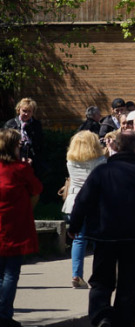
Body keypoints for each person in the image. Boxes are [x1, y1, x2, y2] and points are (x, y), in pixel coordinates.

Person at [68, 132, 135, 327]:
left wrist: (75, 225)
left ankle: (102, 315)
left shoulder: (102, 171)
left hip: (105, 234)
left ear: (116, 147)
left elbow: (83, 200)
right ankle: (124, 321)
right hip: (134, 235)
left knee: (101, 280)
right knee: (129, 282)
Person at [0, 129, 42, 327]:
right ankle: (4, 314)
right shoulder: (19, 169)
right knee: (10, 272)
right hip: (15, 225)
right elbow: (36, 189)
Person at [62, 131, 106, 289]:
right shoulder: (100, 160)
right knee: (98, 241)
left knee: (78, 239)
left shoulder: (70, 160)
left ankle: (76, 274)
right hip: (94, 202)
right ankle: (99, 274)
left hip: (74, 200)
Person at [4, 98, 43, 176]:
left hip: (31, 158)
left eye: (29, 111)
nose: (26, 114)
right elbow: (5, 144)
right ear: (19, 110)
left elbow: (40, 143)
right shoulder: (10, 124)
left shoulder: (36, 124)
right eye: (24, 111)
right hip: (14, 158)